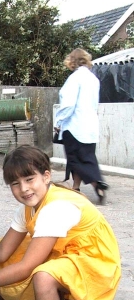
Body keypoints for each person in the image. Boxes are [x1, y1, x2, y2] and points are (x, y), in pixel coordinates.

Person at [0, 145, 121, 300]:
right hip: (65, 249)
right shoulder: (27, 208)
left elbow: (27, 267)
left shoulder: (56, 207)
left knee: (43, 274)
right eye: (15, 183)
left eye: (30, 179)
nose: (24, 189)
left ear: (46, 176)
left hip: (94, 261)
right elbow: (2, 251)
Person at [55, 48, 109, 202]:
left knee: (75, 159)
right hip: (90, 127)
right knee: (87, 157)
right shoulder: (94, 79)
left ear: (71, 61)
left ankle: (97, 183)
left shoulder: (74, 79)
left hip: (74, 125)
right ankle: (76, 187)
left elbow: (68, 104)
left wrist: (59, 121)